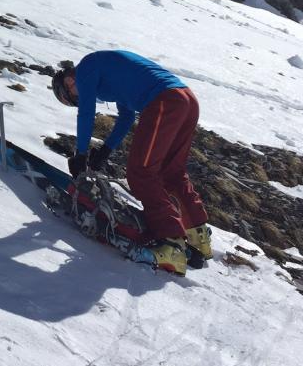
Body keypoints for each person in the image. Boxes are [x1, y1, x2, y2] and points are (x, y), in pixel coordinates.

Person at [51, 49, 212, 275]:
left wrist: (81, 154)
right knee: (171, 173)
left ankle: (171, 243)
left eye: (72, 97)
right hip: (187, 100)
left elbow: (86, 113)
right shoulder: (108, 73)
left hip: (165, 101)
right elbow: (126, 117)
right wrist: (105, 150)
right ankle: (198, 236)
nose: (78, 99)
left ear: (69, 80)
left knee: (141, 172)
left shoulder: (85, 68)